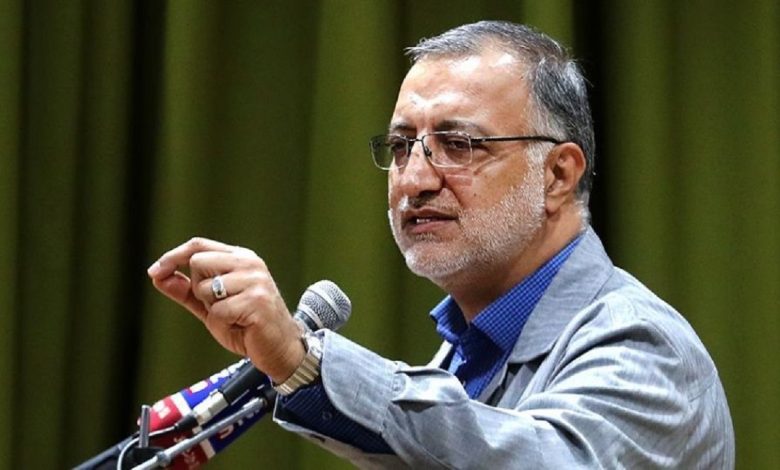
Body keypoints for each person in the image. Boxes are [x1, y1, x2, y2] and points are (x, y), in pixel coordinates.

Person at [147, 21, 734, 468]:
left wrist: (305, 360)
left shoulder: (643, 343)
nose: (415, 178)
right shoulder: (461, 356)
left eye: (459, 144)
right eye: (402, 146)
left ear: (557, 175)